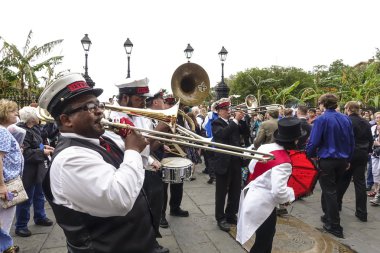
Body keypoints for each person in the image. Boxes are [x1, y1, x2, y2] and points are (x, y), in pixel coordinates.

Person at [38, 73, 156, 252]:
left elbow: (141, 162)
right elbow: (120, 199)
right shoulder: (69, 159)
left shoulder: (101, 141)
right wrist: (132, 149)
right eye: (90, 107)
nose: (100, 111)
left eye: (98, 104)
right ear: (66, 120)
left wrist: (136, 141)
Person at [110, 80, 169, 253]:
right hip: (126, 171)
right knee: (136, 214)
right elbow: (132, 147)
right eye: (139, 99)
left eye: (145, 98)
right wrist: (159, 128)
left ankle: (152, 239)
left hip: (143, 167)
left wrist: (153, 156)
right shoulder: (115, 117)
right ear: (125, 97)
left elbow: (147, 148)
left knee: (155, 205)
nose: (144, 103)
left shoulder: (140, 115)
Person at [237, 117, 304, 253]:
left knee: (264, 239)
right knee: (263, 243)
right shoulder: (284, 162)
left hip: (252, 195)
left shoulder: (266, 147)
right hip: (263, 204)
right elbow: (278, 192)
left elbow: (251, 167)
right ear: (294, 140)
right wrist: (290, 195)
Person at [306, 94, 354, 238]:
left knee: (330, 191)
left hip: (327, 159)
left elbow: (313, 141)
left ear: (322, 104)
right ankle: (328, 216)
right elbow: (351, 141)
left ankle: (334, 224)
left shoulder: (322, 119)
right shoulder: (345, 118)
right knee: (332, 190)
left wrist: (309, 155)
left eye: (319, 104)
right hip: (342, 160)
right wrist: (348, 159)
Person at [14, 106, 54, 237]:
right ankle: (21, 226)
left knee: (39, 194)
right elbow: (25, 153)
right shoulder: (21, 131)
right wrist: (42, 152)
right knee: (26, 199)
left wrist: (44, 147)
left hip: (38, 167)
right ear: (31, 118)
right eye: (36, 115)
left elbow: (37, 144)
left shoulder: (34, 128)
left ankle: (40, 217)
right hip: (28, 170)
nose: (39, 117)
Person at [211, 98, 244, 232]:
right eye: (225, 109)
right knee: (221, 192)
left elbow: (245, 133)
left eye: (228, 109)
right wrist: (235, 120)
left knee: (235, 190)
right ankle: (220, 218)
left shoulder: (233, 122)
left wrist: (241, 120)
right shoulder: (216, 123)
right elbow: (223, 135)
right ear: (218, 111)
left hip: (235, 160)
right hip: (223, 163)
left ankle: (231, 214)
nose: (227, 111)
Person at [336, 102, 373, 221]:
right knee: (360, 183)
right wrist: (367, 151)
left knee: (344, 179)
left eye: (346, 108)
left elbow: (343, 138)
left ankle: (337, 205)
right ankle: (362, 212)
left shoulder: (347, 120)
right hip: (362, 153)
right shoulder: (365, 122)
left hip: (349, 153)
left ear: (348, 109)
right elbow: (370, 139)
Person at [0, 99, 23, 253]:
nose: (17, 113)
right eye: (13, 111)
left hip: (8, 181)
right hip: (8, 183)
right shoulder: (2, 131)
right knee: (5, 222)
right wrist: (1, 185)